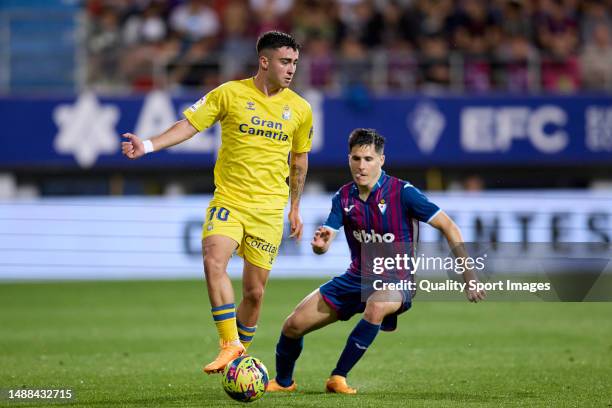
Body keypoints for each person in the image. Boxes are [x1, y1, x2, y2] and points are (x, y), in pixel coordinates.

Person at [121, 31, 313, 374]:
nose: (291, 69)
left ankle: (239, 356)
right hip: (230, 199)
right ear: (265, 61)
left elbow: (299, 160)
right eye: (285, 61)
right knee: (213, 259)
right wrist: (148, 146)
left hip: (269, 210)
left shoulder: (300, 109)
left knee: (254, 293)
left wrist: (295, 207)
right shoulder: (229, 94)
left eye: (295, 63)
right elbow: (189, 125)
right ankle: (229, 343)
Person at [267, 128, 485, 394]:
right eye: (356, 159)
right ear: (349, 159)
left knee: (377, 304)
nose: (361, 166)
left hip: (397, 281)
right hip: (355, 278)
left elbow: (449, 226)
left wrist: (469, 277)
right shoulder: (343, 197)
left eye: (368, 159)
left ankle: (338, 377)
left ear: (381, 160)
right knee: (293, 325)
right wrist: (320, 246)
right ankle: (283, 382)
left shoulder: (403, 193)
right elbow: (327, 239)